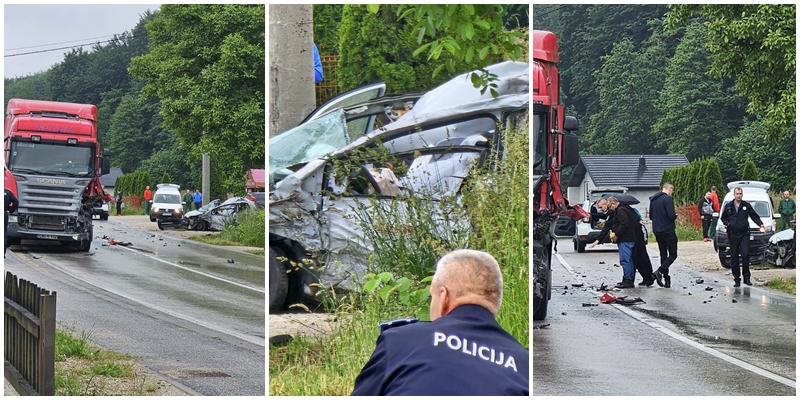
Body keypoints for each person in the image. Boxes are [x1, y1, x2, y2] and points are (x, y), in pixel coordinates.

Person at [351, 249, 529, 396]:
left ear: (443, 297)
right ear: (494, 302)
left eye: (432, 297)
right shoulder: (525, 365)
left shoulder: (400, 341)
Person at [721, 187, 766, 287]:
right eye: (737, 194)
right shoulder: (729, 206)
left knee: (745, 255)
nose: (739, 195)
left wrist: (761, 224)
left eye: (740, 194)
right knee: (734, 257)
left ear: (742, 194)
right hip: (733, 234)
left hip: (744, 234)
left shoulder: (746, 205)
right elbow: (723, 218)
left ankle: (746, 278)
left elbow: (754, 216)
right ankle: (737, 279)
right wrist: (728, 224)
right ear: (734, 194)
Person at [649, 183, 678, 288]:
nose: (672, 192)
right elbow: (671, 215)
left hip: (657, 230)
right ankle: (660, 271)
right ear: (668, 188)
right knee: (673, 254)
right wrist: (675, 216)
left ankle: (666, 279)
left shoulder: (653, 200)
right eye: (672, 189)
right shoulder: (667, 199)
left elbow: (651, 216)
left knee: (663, 254)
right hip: (668, 230)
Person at [605, 196, 637, 288]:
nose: (610, 209)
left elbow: (624, 224)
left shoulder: (620, 211)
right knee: (628, 260)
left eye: (610, 207)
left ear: (613, 204)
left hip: (625, 238)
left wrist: (617, 234)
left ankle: (627, 280)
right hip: (629, 238)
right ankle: (628, 279)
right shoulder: (625, 209)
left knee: (625, 260)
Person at [5, 188, 19, 257]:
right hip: (4, 214)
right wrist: (10, 210)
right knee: (3, 235)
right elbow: (16, 202)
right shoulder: (8, 192)